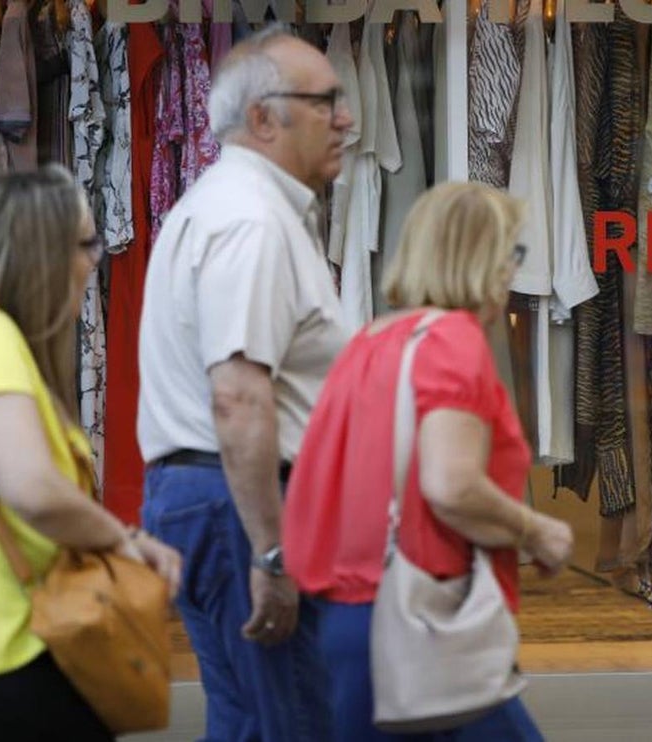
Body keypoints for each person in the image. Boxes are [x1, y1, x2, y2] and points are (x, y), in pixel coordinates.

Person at [282, 181, 575, 741]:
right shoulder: (452, 342)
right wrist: (537, 530)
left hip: (345, 618)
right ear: (481, 259)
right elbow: (452, 485)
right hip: (417, 621)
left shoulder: (369, 342)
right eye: (512, 253)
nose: (514, 272)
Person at [136, 24, 354, 742]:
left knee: (251, 721)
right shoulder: (251, 220)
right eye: (324, 102)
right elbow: (238, 395)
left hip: (221, 501)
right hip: (243, 505)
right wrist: (270, 551)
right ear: (263, 118)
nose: (345, 118)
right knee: (286, 723)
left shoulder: (228, 206)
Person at [0, 165, 182, 742]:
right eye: (85, 242)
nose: (96, 258)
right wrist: (127, 540)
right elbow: (34, 489)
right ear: (40, 252)